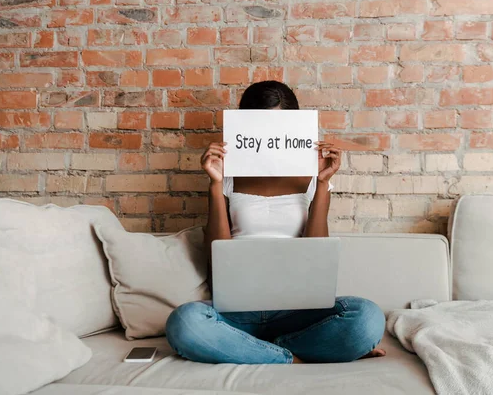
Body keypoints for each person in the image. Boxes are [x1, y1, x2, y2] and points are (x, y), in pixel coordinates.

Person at [165, 81, 386, 364]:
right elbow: (215, 257)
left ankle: (254, 350)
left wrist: (321, 184)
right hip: (236, 310)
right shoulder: (227, 176)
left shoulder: (312, 177)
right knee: (184, 322)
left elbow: (317, 252)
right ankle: (290, 357)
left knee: (366, 318)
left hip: (297, 312)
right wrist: (215, 184)